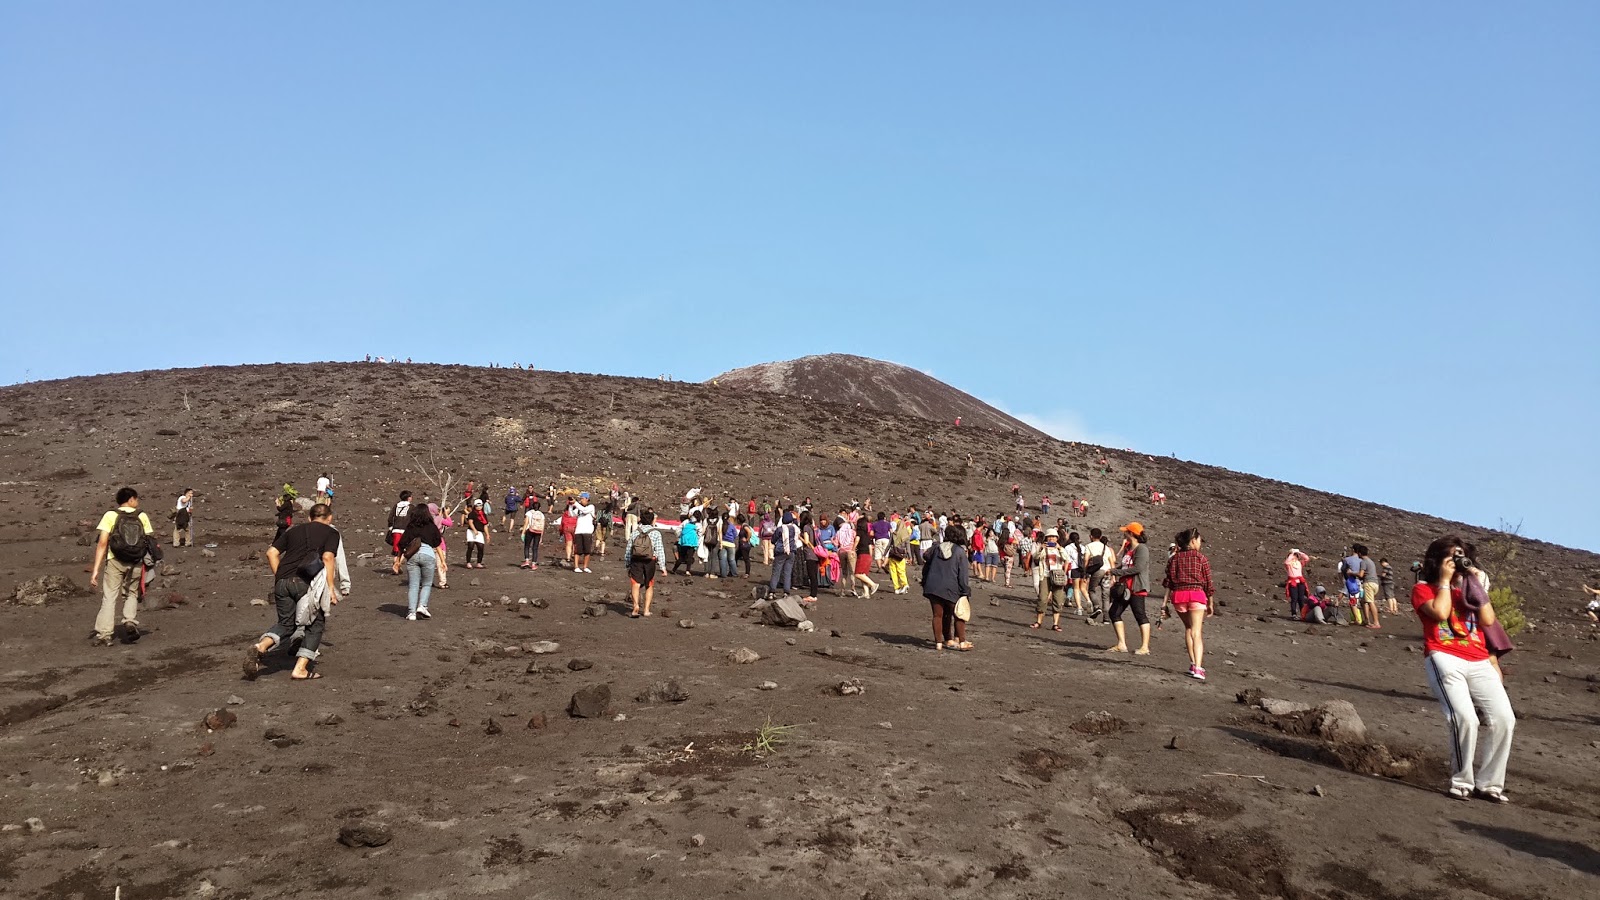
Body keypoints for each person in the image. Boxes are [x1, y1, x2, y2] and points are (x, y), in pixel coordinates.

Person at [1413, 535, 1515, 802]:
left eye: (1461, 555)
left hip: (1479, 658)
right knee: (1464, 719)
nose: (1457, 561)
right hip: (1444, 656)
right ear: (1437, 560)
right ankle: (1461, 782)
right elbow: (1440, 613)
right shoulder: (1423, 589)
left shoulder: (1470, 589)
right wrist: (1445, 581)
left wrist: (1475, 584)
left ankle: (1490, 784)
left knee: (1504, 718)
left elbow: (1488, 619)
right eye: (1452, 556)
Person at [243, 503, 341, 680]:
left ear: (309, 517)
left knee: (286, 624)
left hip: (282, 581)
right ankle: (300, 669)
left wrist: (281, 576)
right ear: (330, 518)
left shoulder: (294, 530)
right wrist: (331, 588)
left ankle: (260, 647)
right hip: (306, 582)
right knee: (315, 624)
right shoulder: (331, 532)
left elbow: (271, 553)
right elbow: (328, 557)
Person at [88, 487, 155, 646]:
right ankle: (130, 620)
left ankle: (105, 634)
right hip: (136, 562)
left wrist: (96, 569)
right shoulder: (142, 516)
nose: (137, 503)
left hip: (115, 561)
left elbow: (103, 543)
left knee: (109, 597)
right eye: (136, 499)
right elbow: (149, 541)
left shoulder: (110, 515)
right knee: (131, 593)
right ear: (131, 499)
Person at [1164, 528, 1215, 681]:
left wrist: (1164, 604)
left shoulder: (1174, 559)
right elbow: (1208, 583)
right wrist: (1211, 602)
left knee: (1188, 628)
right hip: (1196, 595)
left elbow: (1169, 582)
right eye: (1199, 540)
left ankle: (1193, 663)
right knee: (1197, 632)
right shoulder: (1201, 558)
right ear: (1193, 541)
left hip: (1179, 596)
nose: (1200, 543)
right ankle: (1198, 668)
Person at [922, 524, 972, 651]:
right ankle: (962, 641)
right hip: (951, 587)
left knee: (937, 615)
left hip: (933, 586)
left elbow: (925, 556)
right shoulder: (960, 552)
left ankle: (939, 642)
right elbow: (963, 575)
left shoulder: (936, 548)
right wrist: (965, 591)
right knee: (958, 614)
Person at [1106, 523, 1152, 654]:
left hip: (1136, 587)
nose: (1124, 534)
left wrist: (1116, 572)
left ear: (1132, 534)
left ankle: (1144, 647)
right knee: (1114, 613)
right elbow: (1125, 565)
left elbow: (1138, 568)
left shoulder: (1142, 549)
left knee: (1140, 615)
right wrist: (1114, 570)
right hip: (1125, 588)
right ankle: (1121, 644)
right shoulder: (1129, 548)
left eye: (1126, 532)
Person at [398, 504, 442, 621]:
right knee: (426, 584)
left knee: (413, 585)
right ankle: (422, 606)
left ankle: (411, 613)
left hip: (412, 556)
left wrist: (397, 561)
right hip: (428, 555)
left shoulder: (410, 527)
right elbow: (437, 542)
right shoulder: (431, 526)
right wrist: (442, 561)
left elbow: (401, 544)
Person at [624, 509, 668, 617]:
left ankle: (635, 606)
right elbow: (659, 550)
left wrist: (627, 563)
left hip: (636, 560)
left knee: (635, 583)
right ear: (652, 520)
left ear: (640, 520)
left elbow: (629, 549)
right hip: (650, 561)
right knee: (649, 584)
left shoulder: (635, 532)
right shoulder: (656, 533)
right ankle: (646, 610)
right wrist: (662, 566)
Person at [1030, 529, 1070, 632]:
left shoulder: (1060, 549)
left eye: (1053, 537)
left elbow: (1067, 559)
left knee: (1057, 599)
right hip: (1045, 575)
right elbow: (1035, 557)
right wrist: (1040, 549)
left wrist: (1059, 548)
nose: (1051, 538)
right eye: (1049, 537)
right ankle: (1038, 621)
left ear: (1057, 538)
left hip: (1057, 576)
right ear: (1046, 538)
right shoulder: (1043, 548)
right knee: (1042, 598)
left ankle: (1055, 624)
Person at [769, 510, 800, 596]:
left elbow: (773, 540)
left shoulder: (780, 529)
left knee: (776, 571)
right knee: (788, 571)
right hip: (792, 551)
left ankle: (772, 591)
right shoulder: (795, 528)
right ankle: (786, 591)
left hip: (781, 551)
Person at [1081, 528, 1109, 621]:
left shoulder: (1089, 546)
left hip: (1097, 571)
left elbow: (1086, 559)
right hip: (1107, 571)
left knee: (1091, 590)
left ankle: (1097, 607)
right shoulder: (1106, 547)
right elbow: (1110, 560)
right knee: (1105, 594)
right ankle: (1106, 618)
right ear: (1100, 537)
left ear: (1091, 536)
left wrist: (1085, 572)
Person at [1356, 543, 1382, 629]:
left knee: (1371, 602)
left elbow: (1360, 574)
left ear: (1359, 553)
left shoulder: (1363, 562)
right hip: (1375, 583)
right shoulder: (1371, 561)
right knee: (1364, 601)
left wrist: (1351, 573)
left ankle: (1376, 622)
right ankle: (1367, 620)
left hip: (1369, 583)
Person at [851, 521, 880, 598]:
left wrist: (853, 549)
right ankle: (866, 593)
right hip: (868, 556)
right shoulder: (867, 535)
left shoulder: (859, 533)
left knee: (857, 574)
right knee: (863, 575)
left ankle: (873, 584)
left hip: (862, 555)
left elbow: (857, 539)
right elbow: (870, 546)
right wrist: (870, 557)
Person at [387, 491, 412, 575]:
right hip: (406, 530)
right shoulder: (411, 507)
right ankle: (397, 565)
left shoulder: (396, 506)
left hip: (395, 530)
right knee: (406, 549)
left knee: (397, 549)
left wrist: (390, 527)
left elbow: (390, 518)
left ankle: (397, 566)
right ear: (409, 498)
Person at [1283, 549, 1313, 619]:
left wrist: (1300, 553)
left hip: (1300, 582)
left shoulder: (1299, 563)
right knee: (1294, 599)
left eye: (1296, 555)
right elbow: (1286, 562)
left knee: (1301, 599)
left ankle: (1303, 614)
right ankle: (1294, 614)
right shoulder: (1289, 564)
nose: (1296, 556)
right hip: (1293, 582)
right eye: (1295, 555)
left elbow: (1307, 558)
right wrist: (1292, 554)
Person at [572, 492, 597, 573]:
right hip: (578, 531)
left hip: (587, 531)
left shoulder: (591, 507)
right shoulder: (578, 508)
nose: (581, 500)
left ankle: (585, 567)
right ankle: (576, 567)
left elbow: (585, 511)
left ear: (587, 499)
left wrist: (576, 503)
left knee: (587, 550)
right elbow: (572, 514)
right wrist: (570, 505)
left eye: (582, 498)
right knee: (577, 551)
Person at [520, 499, 546, 569]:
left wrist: (523, 533)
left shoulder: (529, 513)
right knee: (535, 548)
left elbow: (526, 523)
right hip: (538, 532)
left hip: (530, 531)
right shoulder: (542, 515)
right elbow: (543, 526)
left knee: (527, 546)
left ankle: (527, 561)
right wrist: (541, 537)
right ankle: (534, 564)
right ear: (539, 507)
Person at [463, 499, 488, 568]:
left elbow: (485, 525)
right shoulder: (472, 514)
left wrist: (487, 535)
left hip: (479, 532)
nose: (479, 507)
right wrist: (474, 530)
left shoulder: (483, 515)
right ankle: (468, 562)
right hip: (471, 531)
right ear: (475, 506)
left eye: (480, 505)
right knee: (470, 546)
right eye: (478, 505)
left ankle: (479, 562)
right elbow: (470, 522)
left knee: (481, 547)